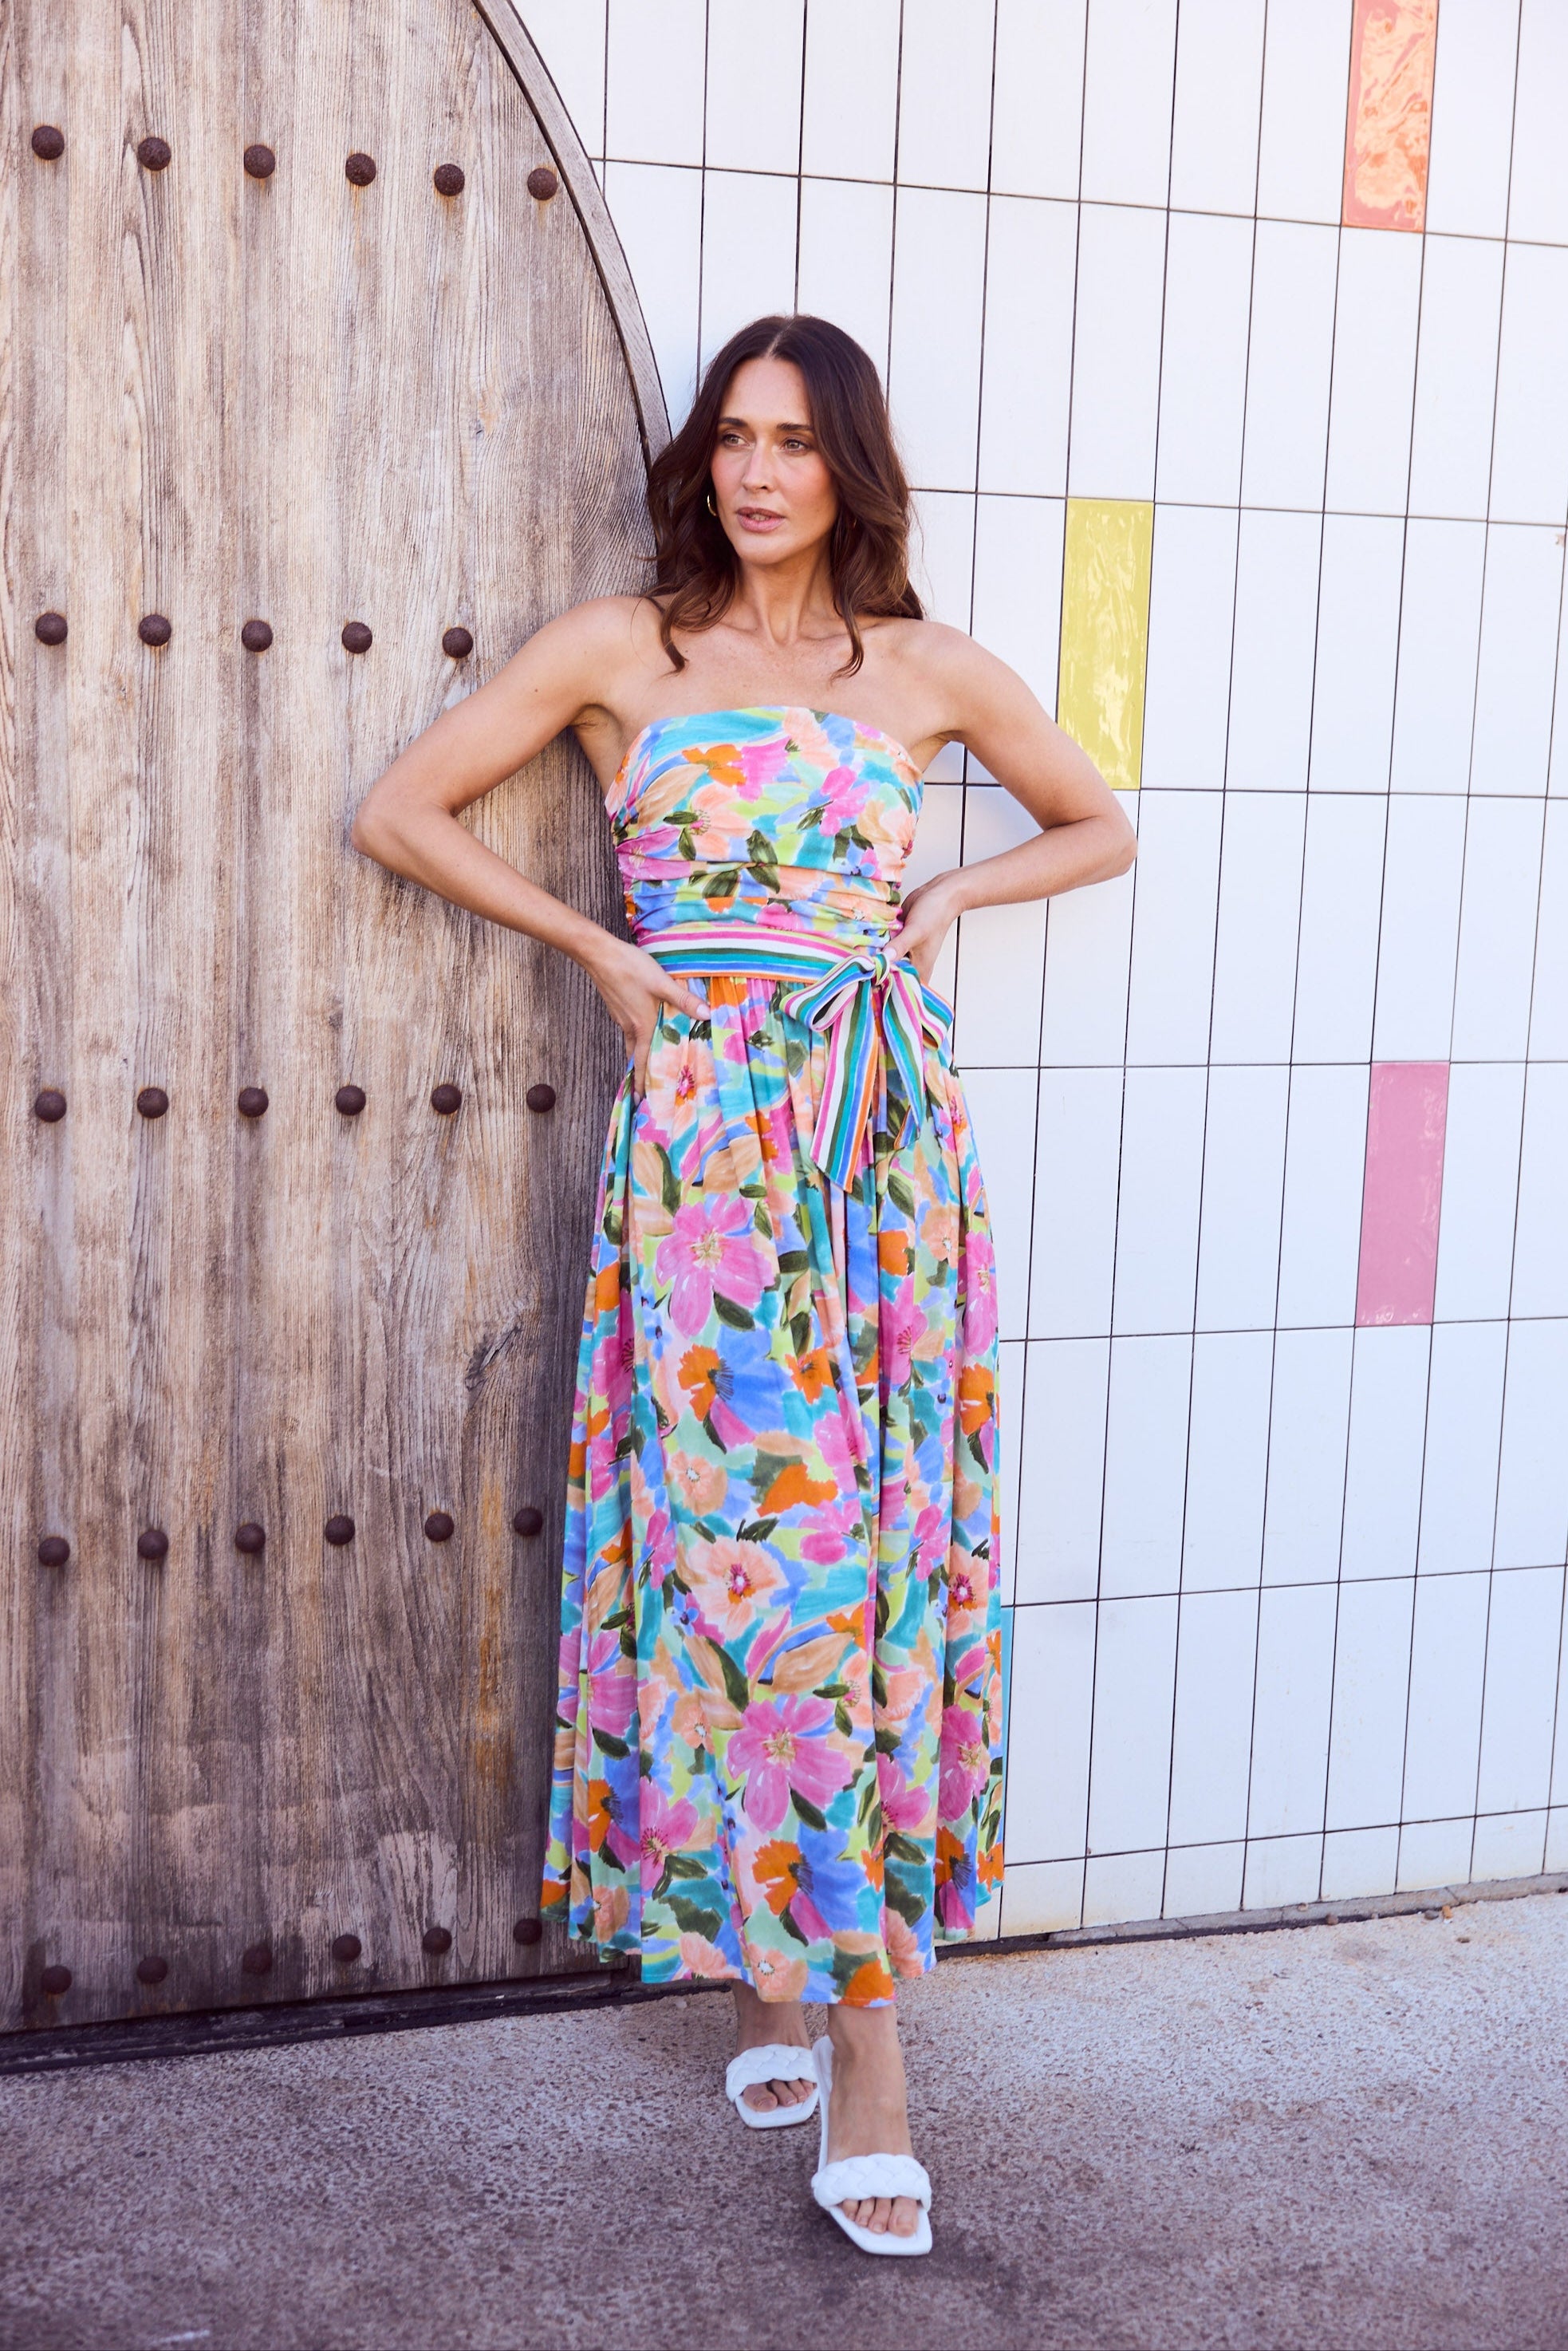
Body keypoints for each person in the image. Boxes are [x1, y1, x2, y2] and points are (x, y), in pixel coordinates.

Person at [352, 313, 1135, 2254]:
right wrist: (597, 952)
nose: (758, 469)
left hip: (882, 1170)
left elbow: (1100, 822)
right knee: (754, 1569)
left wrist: (945, 897)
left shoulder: (929, 671)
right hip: (708, 1172)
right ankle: (808, 1989)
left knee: (864, 1571)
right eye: (732, 436)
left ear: (848, 465)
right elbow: (400, 811)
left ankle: (833, 2013)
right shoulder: (626, 653)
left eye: (793, 439)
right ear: (702, 459)